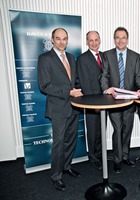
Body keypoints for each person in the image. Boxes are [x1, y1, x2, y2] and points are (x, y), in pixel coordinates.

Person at [38, 28, 83, 191]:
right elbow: (44, 85)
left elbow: (73, 81)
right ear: (52, 39)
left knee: (71, 139)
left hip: (73, 106)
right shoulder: (44, 59)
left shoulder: (71, 57)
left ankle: (67, 166)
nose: (61, 42)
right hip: (58, 108)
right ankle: (56, 175)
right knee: (58, 142)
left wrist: (77, 91)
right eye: (58, 38)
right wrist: (68, 92)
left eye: (64, 39)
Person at [100, 27, 140, 173]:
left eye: (123, 37)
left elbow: (138, 77)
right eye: (117, 37)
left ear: (127, 39)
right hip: (113, 100)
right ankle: (117, 159)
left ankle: (125, 156)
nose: (120, 40)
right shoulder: (107, 55)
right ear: (114, 39)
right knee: (118, 129)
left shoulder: (135, 56)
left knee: (127, 129)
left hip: (129, 100)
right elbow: (104, 75)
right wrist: (105, 88)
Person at [76, 31, 104, 170]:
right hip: (92, 102)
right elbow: (85, 84)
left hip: (105, 102)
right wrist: (94, 105)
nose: (94, 43)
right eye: (91, 40)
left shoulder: (104, 56)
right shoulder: (82, 59)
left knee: (101, 130)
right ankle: (93, 157)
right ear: (87, 42)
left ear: (100, 40)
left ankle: (100, 154)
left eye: (96, 40)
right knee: (92, 131)